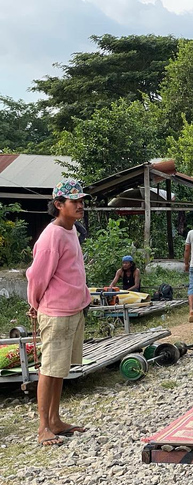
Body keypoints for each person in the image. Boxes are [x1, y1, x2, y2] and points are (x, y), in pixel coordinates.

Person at [26, 179, 91, 446]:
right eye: (73, 201)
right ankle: (43, 427)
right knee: (49, 370)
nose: (80, 205)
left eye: (81, 200)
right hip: (56, 311)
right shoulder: (51, 236)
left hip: (73, 309)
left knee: (60, 369)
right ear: (58, 205)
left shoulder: (72, 229)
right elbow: (38, 276)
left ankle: (55, 420)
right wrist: (34, 303)